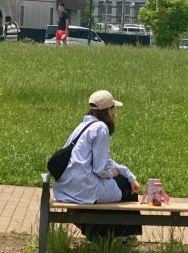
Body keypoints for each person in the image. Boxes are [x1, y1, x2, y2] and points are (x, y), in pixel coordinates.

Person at [52, 90, 142, 240]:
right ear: (109, 109)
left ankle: (101, 234)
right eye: (114, 109)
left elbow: (102, 161)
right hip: (84, 189)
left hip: (66, 187)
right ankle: (123, 236)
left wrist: (126, 172)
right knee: (127, 187)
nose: (115, 113)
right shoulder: (101, 128)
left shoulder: (82, 126)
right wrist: (116, 174)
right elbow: (100, 169)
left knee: (122, 180)